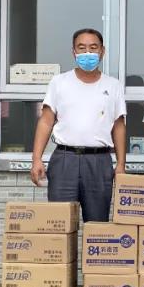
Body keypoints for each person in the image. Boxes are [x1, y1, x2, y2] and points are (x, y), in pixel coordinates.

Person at [30, 28, 127, 223]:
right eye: (82, 48)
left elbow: (118, 126)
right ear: (73, 52)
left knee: (97, 226)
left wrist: (121, 164)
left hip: (99, 161)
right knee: (60, 223)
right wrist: (36, 159)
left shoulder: (113, 85)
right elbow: (46, 121)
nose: (87, 53)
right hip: (65, 159)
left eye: (93, 47)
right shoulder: (59, 82)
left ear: (102, 51)